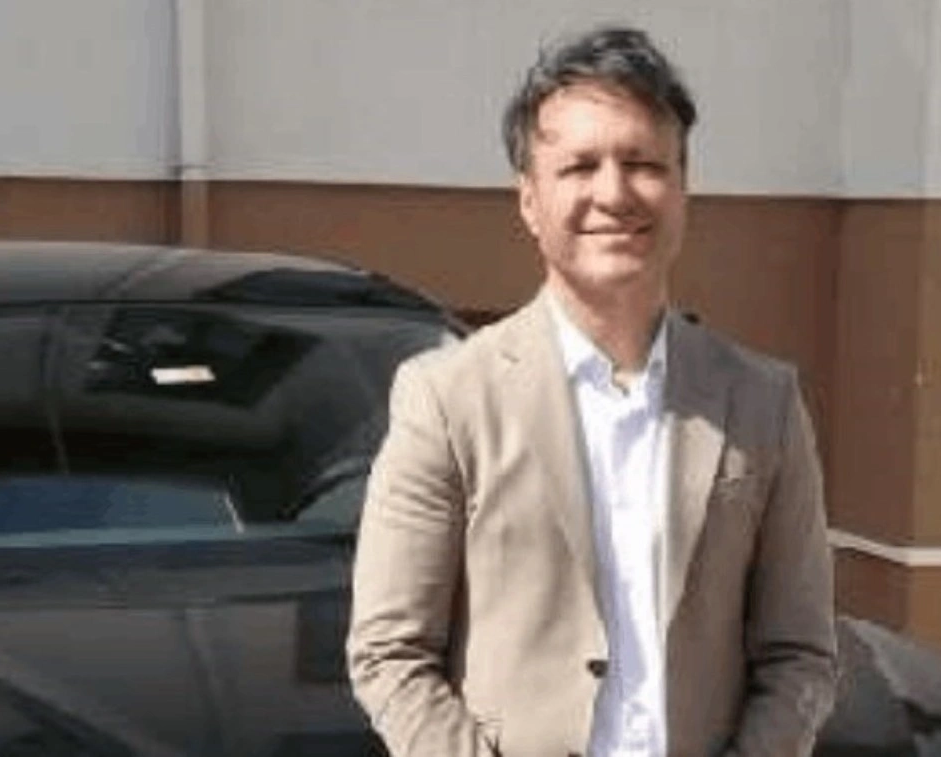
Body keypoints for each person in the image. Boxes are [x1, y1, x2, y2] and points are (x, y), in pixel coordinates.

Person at [347, 25, 837, 757]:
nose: (613, 193)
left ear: (683, 189)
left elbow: (800, 655)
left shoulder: (762, 402)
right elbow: (390, 654)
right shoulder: (446, 399)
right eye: (579, 166)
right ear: (529, 200)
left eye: (643, 164)